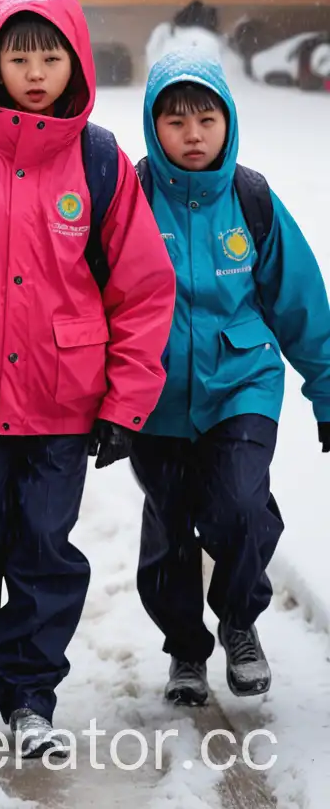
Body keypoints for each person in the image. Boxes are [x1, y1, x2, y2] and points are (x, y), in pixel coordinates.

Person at [0, 0, 176, 757]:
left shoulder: (99, 163)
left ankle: (29, 694)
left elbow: (141, 291)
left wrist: (126, 403)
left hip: (64, 404)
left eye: (49, 58)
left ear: (75, 65)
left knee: (44, 551)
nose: (33, 73)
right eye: (18, 58)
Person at [129, 51, 330, 707]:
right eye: (176, 120)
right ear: (152, 125)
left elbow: (299, 303)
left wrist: (326, 393)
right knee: (170, 531)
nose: (192, 134)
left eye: (206, 119)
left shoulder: (252, 199)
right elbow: (92, 300)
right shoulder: (129, 198)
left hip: (241, 383)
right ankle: (186, 648)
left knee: (240, 506)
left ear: (228, 122)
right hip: (154, 398)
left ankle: (239, 620)